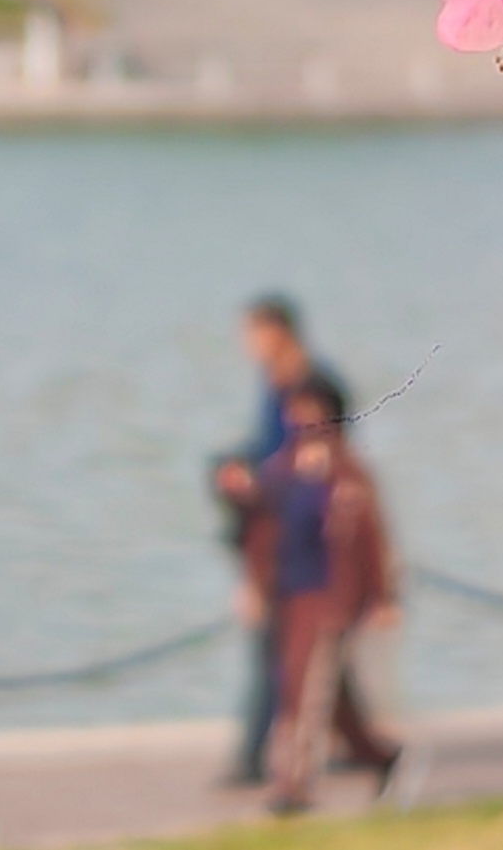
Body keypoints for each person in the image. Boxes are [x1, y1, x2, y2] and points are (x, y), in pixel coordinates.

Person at [246, 372, 403, 813]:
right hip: (290, 595)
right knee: (311, 689)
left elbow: (371, 537)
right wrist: (254, 585)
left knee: (309, 687)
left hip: (331, 597)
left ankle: (293, 785)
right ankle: (377, 755)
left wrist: (381, 597)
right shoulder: (280, 471)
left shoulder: (346, 474)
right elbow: (260, 531)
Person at [210, 294, 320, 785]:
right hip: (279, 534)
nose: (247, 344)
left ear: (277, 332)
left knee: (276, 649)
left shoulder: (307, 386)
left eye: (253, 333)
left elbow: (311, 462)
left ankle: (253, 758)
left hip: (295, 541)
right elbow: (272, 452)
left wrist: (255, 481)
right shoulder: (275, 383)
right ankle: (361, 746)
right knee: (305, 649)